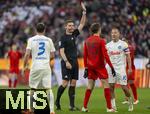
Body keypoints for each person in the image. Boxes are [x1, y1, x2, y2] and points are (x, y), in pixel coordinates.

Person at [55, 2, 86, 111]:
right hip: (66, 62)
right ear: (65, 27)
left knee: (73, 83)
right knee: (65, 83)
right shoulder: (62, 38)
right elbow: (61, 51)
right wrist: (66, 62)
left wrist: (84, 12)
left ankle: (71, 106)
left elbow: (82, 24)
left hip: (75, 62)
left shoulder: (74, 34)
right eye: (70, 26)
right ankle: (57, 101)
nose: (72, 27)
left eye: (72, 25)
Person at [81, 23, 116, 112]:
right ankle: (109, 108)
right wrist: (111, 67)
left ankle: (84, 107)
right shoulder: (101, 41)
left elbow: (85, 55)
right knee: (106, 85)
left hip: (90, 67)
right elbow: (106, 55)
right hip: (100, 67)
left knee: (90, 86)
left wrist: (86, 68)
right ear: (99, 30)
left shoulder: (87, 41)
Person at [23, 23, 55, 114]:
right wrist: (46, 59)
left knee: (32, 89)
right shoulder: (49, 40)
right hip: (46, 66)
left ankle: (31, 110)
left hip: (35, 66)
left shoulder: (31, 40)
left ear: (35, 30)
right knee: (48, 88)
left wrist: (24, 66)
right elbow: (52, 55)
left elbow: (27, 54)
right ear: (44, 30)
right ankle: (52, 111)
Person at [106, 27, 133, 111]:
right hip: (111, 68)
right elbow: (106, 58)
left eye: (115, 33)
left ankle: (130, 101)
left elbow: (128, 56)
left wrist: (129, 67)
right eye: (112, 33)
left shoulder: (124, 44)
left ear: (119, 34)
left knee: (124, 87)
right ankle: (113, 106)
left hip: (121, 68)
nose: (113, 34)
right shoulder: (107, 45)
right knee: (111, 87)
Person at [122, 38, 139, 105]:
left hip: (130, 68)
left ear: (127, 41)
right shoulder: (123, 48)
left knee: (131, 83)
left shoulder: (130, 48)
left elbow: (129, 58)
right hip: (124, 68)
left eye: (124, 41)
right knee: (125, 83)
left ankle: (136, 99)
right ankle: (127, 99)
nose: (122, 42)